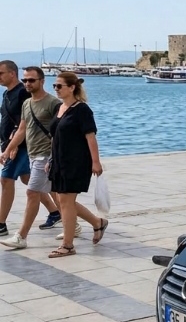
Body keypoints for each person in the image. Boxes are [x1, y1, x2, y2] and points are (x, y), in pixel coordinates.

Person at [0, 66, 64, 249]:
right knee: (41, 185)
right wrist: (7, 147)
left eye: (31, 80)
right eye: (26, 80)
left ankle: (11, 230)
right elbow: (20, 126)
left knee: (15, 184)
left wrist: (15, 146)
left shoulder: (36, 98)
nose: (27, 83)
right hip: (27, 151)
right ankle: (64, 216)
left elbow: (55, 129)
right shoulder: (16, 98)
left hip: (36, 151)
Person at [46, 72, 106, 258]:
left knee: (65, 201)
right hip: (59, 162)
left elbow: (90, 137)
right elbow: (55, 137)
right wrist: (50, 159)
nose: (56, 89)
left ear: (72, 87)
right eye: (54, 86)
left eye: (59, 86)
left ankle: (68, 245)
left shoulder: (82, 110)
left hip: (76, 162)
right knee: (63, 200)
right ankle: (98, 223)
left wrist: (96, 162)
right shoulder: (60, 108)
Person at [0, 60, 31, 237]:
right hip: (9, 144)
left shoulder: (22, 93)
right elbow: (6, 117)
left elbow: (23, 123)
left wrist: (14, 146)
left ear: (12, 73)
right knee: (29, 180)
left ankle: (1, 224)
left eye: (0, 73)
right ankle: (55, 212)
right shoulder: (6, 94)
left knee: (5, 180)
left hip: (20, 145)